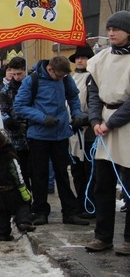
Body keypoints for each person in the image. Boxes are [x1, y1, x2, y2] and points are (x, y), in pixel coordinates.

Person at [13, 55, 90, 227]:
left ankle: (70, 212)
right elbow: (19, 106)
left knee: (62, 174)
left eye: (64, 76)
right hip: (39, 134)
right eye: (59, 76)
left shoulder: (65, 78)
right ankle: (40, 211)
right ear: (49, 69)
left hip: (61, 134)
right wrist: (41, 117)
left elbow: (73, 97)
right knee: (39, 175)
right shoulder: (32, 80)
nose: (62, 78)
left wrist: (77, 113)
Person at [84, 10, 130, 255]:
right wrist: (94, 120)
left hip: (126, 126)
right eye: (109, 28)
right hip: (103, 125)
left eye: (117, 29)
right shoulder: (100, 59)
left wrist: (111, 123)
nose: (111, 32)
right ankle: (102, 236)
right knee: (103, 184)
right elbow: (94, 93)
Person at [0, 125, 35, 241]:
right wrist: (23, 188)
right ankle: (23, 222)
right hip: (12, 189)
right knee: (22, 206)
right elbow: (17, 172)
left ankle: (3, 233)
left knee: (1, 213)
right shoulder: (10, 155)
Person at [68, 44, 97, 217]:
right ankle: (81, 202)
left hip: (89, 133)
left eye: (84, 58)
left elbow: (95, 103)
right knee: (77, 171)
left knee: (90, 170)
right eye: (78, 58)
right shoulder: (70, 78)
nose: (80, 60)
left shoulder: (93, 78)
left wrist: (85, 118)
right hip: (73, 133)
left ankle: (90, 204)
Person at [0, 56, 31, 189]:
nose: (16, 77)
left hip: (31, 133)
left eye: (19, 74)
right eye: (14, 74)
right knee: (19, 171)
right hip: (15, 136)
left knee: (33, 170)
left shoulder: (31, 87)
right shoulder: (6, 91)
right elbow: (2, 111)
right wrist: (9, 121)